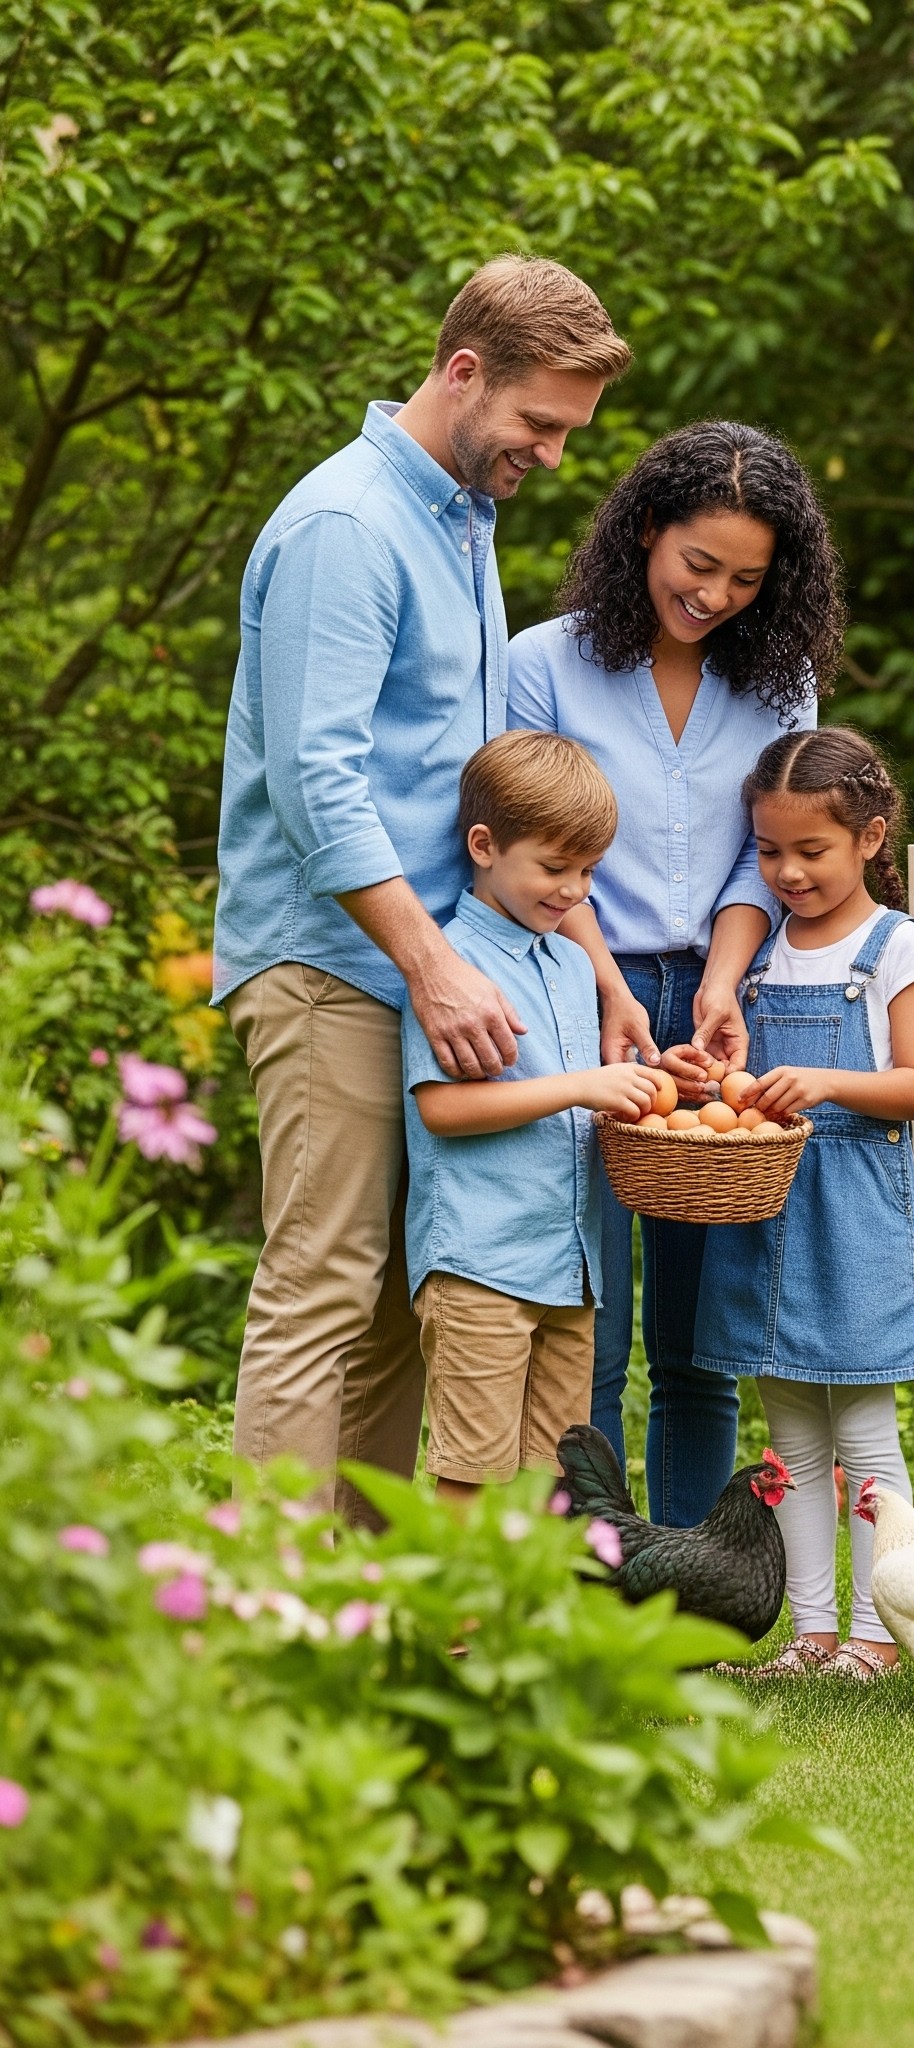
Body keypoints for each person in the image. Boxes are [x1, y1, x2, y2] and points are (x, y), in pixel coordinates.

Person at [213, 256, 631, 1518]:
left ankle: (369, 1604)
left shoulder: (459, 523)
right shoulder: (348, 526)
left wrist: (599, 975)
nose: (553, 455)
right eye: (539, 424)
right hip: (330, 962)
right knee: (324, 1286)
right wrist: (432, 961)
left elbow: (501, 801)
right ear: (462, 373)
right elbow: (317, 781)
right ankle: (267, 1616)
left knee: (404, 1299)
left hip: (420, 966)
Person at [507, 422, 843, 1525]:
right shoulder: (540, 664)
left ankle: (692, 1596)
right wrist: (606, 982)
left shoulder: (778, 677)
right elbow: (533, 842)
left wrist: (723, 978)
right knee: (589, 1323)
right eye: (698, 564)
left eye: (746, 578)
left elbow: (769, 845)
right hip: (571, 993)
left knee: (699, 1341)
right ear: (646, 529)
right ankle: (588, 1579)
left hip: (716, 1006)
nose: (715, 595)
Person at [694, 728, 914, 1681]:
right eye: (768, 852)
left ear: (872, 837)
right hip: (763, 1203)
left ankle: (879, 1634)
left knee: (866, 1433)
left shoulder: (894, 945)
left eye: (811, 851)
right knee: (790, 1436)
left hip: (851, 1213)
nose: (787, 872)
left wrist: (829, 1081)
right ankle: (813, 1634)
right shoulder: (758, 952)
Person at [402, 731, 664, 1503]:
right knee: (470, 1474)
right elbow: (444, 1108)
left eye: (588, 871)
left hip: (568, 1268)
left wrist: (648, 1084)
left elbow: (583, 1092)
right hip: (481, 1263)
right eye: (554, 868)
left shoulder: (573, 962)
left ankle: (522, 1626)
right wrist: (584, 1085)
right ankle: (455, 1631)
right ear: (484, 846)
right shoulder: (453, 964)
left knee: (554, 1482)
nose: (574, 891)